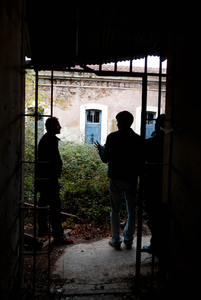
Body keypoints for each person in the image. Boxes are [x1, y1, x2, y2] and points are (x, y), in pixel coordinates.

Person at [94, 111, 143, 250]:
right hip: (132, 178)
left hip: (115, 177)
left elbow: (105, 158)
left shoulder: (112, 137)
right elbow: (141, 160)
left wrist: (101, 149)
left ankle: (116, 240)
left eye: (117, 121)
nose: (116, 123)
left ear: (120, 122)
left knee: (115, 210)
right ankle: (128, 239)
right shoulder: (137, 139)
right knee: (132, 209)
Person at [37, 117, 73, 244]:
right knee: (55, 207)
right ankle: (58, 235)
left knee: (43, 204)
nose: (60, 127)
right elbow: (50, 162)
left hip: (45, 179)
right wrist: (55, 174)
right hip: (49, 179)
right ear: (52, 127)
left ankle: (43, 229)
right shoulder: (50, 141)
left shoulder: (47, 139)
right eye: (58, 125)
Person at [143, 114, 167, 255]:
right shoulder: (175, 143)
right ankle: (162, 245)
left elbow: (141, 162)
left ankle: (156, 245)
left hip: (152, 183)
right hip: (167, 182)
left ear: (156, 125)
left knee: (153, 216)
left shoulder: (150, 142)